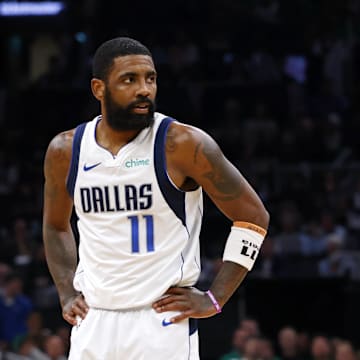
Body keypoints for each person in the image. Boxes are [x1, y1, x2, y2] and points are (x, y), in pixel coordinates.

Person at [42, 36, 270, 359]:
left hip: (161, 320)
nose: (144, 90)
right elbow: (55, 226)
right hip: (94, 320)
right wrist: (66, 292)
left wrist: (215, 298)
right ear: (99, 89)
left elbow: (253, 217)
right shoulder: (65, 151)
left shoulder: (183, 145)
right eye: (129, 80)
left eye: (150, 78)